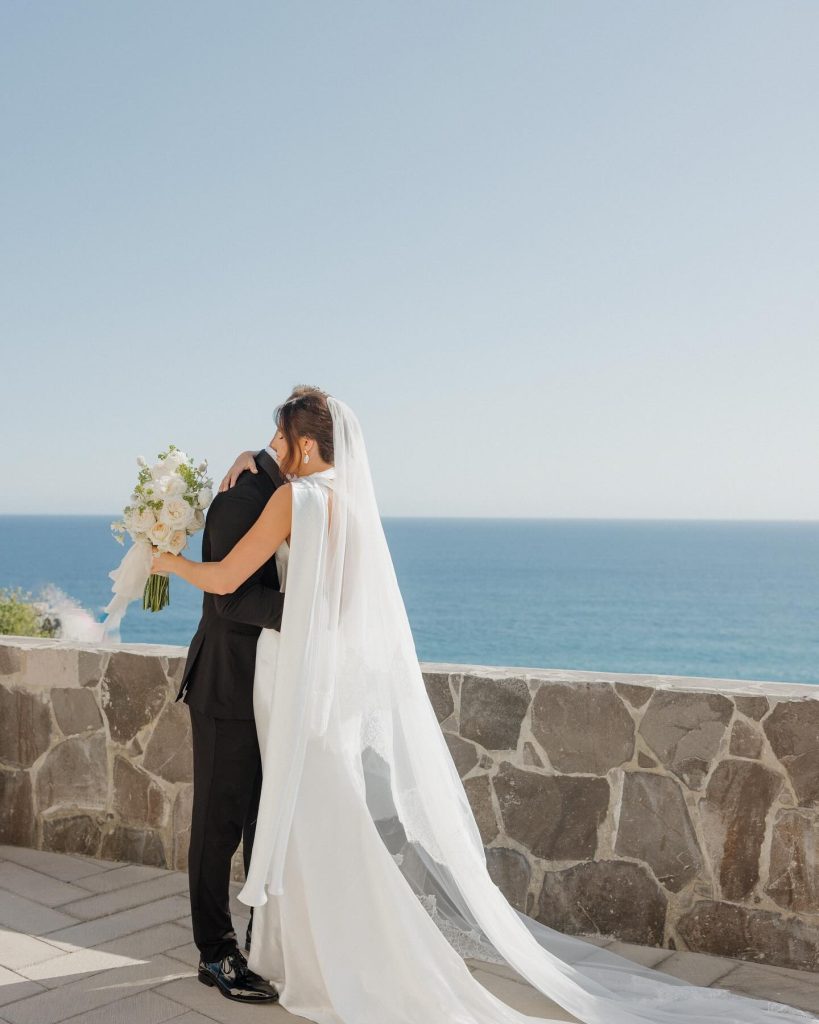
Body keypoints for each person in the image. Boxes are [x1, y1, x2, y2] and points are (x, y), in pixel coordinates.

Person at [152, 388, 814, 1024]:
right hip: (321, 688)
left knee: (289, 819)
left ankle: (272, 949)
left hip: (288, 682)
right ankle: (322, 948)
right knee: (314, 818)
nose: (270, 450)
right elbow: (342, 610)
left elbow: (226, 582)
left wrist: (167, 561)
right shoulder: (352, 509)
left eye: (278, 438)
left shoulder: (294, 499)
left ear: (300, 442)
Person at [172, 435, 287, 1004]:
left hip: (270, 691)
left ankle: (259, 941)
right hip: (227, 687)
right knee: (217, 828)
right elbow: (230, 600)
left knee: (262, 826)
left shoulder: (276, 490)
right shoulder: (243, 499)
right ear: (295, 440)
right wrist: (308, 610)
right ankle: (215, 953)